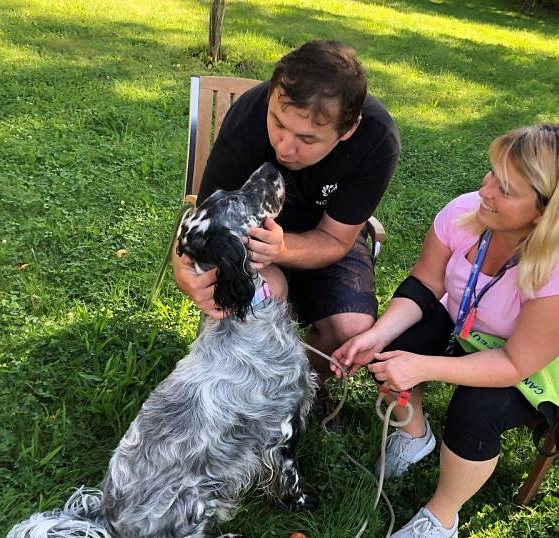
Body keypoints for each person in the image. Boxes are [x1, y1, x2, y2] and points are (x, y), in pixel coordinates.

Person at [331, 123, 559, 538]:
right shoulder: (466, 213)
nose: (485, 190)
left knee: (477, 408)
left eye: (506, 189)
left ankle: (441, 517)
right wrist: (377, 336)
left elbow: (516, 363)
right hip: (469, 327)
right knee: (391, 346)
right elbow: (425, 282)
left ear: (545, 212)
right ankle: (413, 436)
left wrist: (423, 366)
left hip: (545, 364)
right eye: (492, 174)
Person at [171, 40, 400, 385]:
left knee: (350, 329)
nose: (284, 147)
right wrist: (183, 270)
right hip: (250, 241)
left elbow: (336, 239)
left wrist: (281, 248)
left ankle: (299, 390)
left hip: (324, 236)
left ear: (347, 130)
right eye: (277, 123)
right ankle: (241, 388)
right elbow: (207, 217)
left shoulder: (375, 139)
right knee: (258, 298)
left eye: (307, 140)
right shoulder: (247, 116)